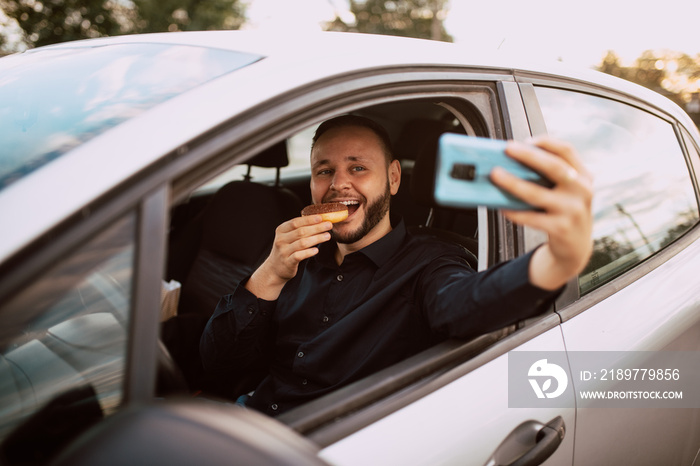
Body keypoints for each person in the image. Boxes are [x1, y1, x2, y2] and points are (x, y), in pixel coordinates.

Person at [200, 115, 593, 416]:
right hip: (249, 416)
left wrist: (557, 260)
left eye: (357, 168)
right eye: (324, 170)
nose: (338, 184)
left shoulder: (431, 264)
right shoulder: (291, 253)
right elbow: (217, 365)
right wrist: (269, 274)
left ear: (392, 179)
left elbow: (468, 301)